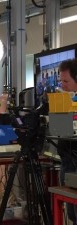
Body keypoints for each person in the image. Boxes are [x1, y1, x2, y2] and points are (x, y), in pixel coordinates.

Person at [57, 58, 77, 225]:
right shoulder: (63, 100)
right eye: (60, 80)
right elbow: (60, 133)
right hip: (67, 163)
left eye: (66, 81)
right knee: (71, 214)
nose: (62, 84)